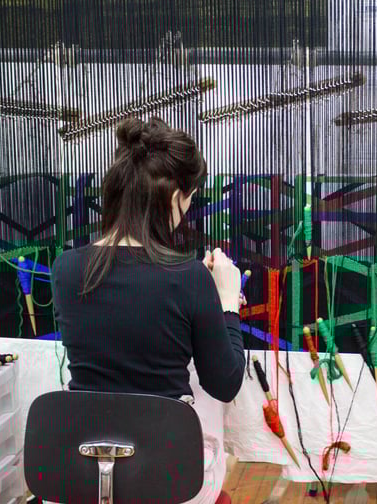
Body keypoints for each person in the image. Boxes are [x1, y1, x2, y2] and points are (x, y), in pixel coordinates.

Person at [52, 117, 245, 504]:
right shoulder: (189, 278)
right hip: (166, 474)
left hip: (86, 470)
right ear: (175, 198)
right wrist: (225, 303)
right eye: (189, 200)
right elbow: (224, 383)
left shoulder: (67, 270)